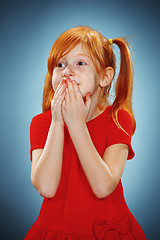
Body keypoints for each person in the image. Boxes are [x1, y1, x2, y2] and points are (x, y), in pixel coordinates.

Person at [24, 26, 147, 239]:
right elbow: (46, 187)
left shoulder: (118, 120)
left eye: (80, 63)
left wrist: (77, 125)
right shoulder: (42, 124)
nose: (67, 71)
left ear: (105, 77)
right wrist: (58, 122)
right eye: (59, 64)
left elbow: (103, 186)